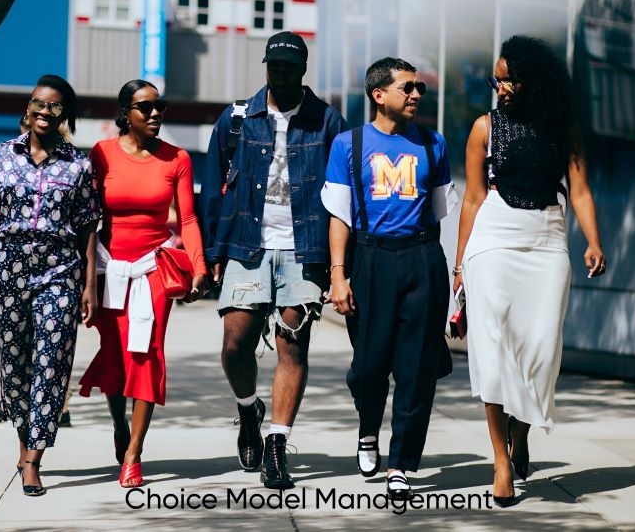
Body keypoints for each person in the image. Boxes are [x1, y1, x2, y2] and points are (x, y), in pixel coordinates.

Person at [454, 35, 606, 507]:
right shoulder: (485, 128)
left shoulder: (565, 128)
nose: (500, 88)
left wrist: (593, 241)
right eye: (495, 80)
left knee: (540, 349)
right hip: (495, 236)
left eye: (508, 80)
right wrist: (460, 264)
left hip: (547, 238)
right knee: (495, 349)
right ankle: (502, 461)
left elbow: (579, 191)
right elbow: (474, 198)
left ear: (532, 81)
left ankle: (521, 436)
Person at [200, 32, 347, 490]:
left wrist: (341, 266)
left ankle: (277, 445)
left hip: (306, 247)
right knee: (234, 343)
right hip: (248, 244)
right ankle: (249, 412)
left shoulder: (328, 122)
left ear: (303, 71)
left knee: (292, 345)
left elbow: (344, 196)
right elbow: (211, 189)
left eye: (290, 68)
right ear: (265, 66)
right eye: (274, 67)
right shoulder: (238, 118)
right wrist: (212, 253)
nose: (281, 75)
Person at [322, 57, 458, 500]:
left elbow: (439, 212)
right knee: (369, 367)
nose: (416, 94)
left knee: (416, 368)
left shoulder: (433, 144)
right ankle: (367, 432)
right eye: (407, 87)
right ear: (379, 95)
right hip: (370, 259)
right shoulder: (348, 144)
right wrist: (339, 276)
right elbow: (339, 216)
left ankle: (400, 463)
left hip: (420, 258)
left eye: (419, 86)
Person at [0, 75, 101, 496]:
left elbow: (87, 228)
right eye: (38, 104)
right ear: (28, 108)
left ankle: (33, 460)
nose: (45, 112)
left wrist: (88, 284)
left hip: (59, 271)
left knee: (51, 361)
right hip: (8, 268)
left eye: (55, 106)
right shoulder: (1, 155)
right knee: (15, 364)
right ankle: (23, 441)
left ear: (65, 114)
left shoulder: (78, 165)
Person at [78, 79, 208, 488]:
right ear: (125, 113)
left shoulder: (177, 159)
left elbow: (187, 218)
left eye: (160, 106)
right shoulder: (102, 154)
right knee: (115, 356)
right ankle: (120, 424)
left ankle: (134, 453)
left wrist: (200, 266)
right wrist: (85, 277)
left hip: (153, 269)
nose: (155, 114)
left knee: (146, 356)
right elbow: (89, 219)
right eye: (145, 107)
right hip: (108, 268)